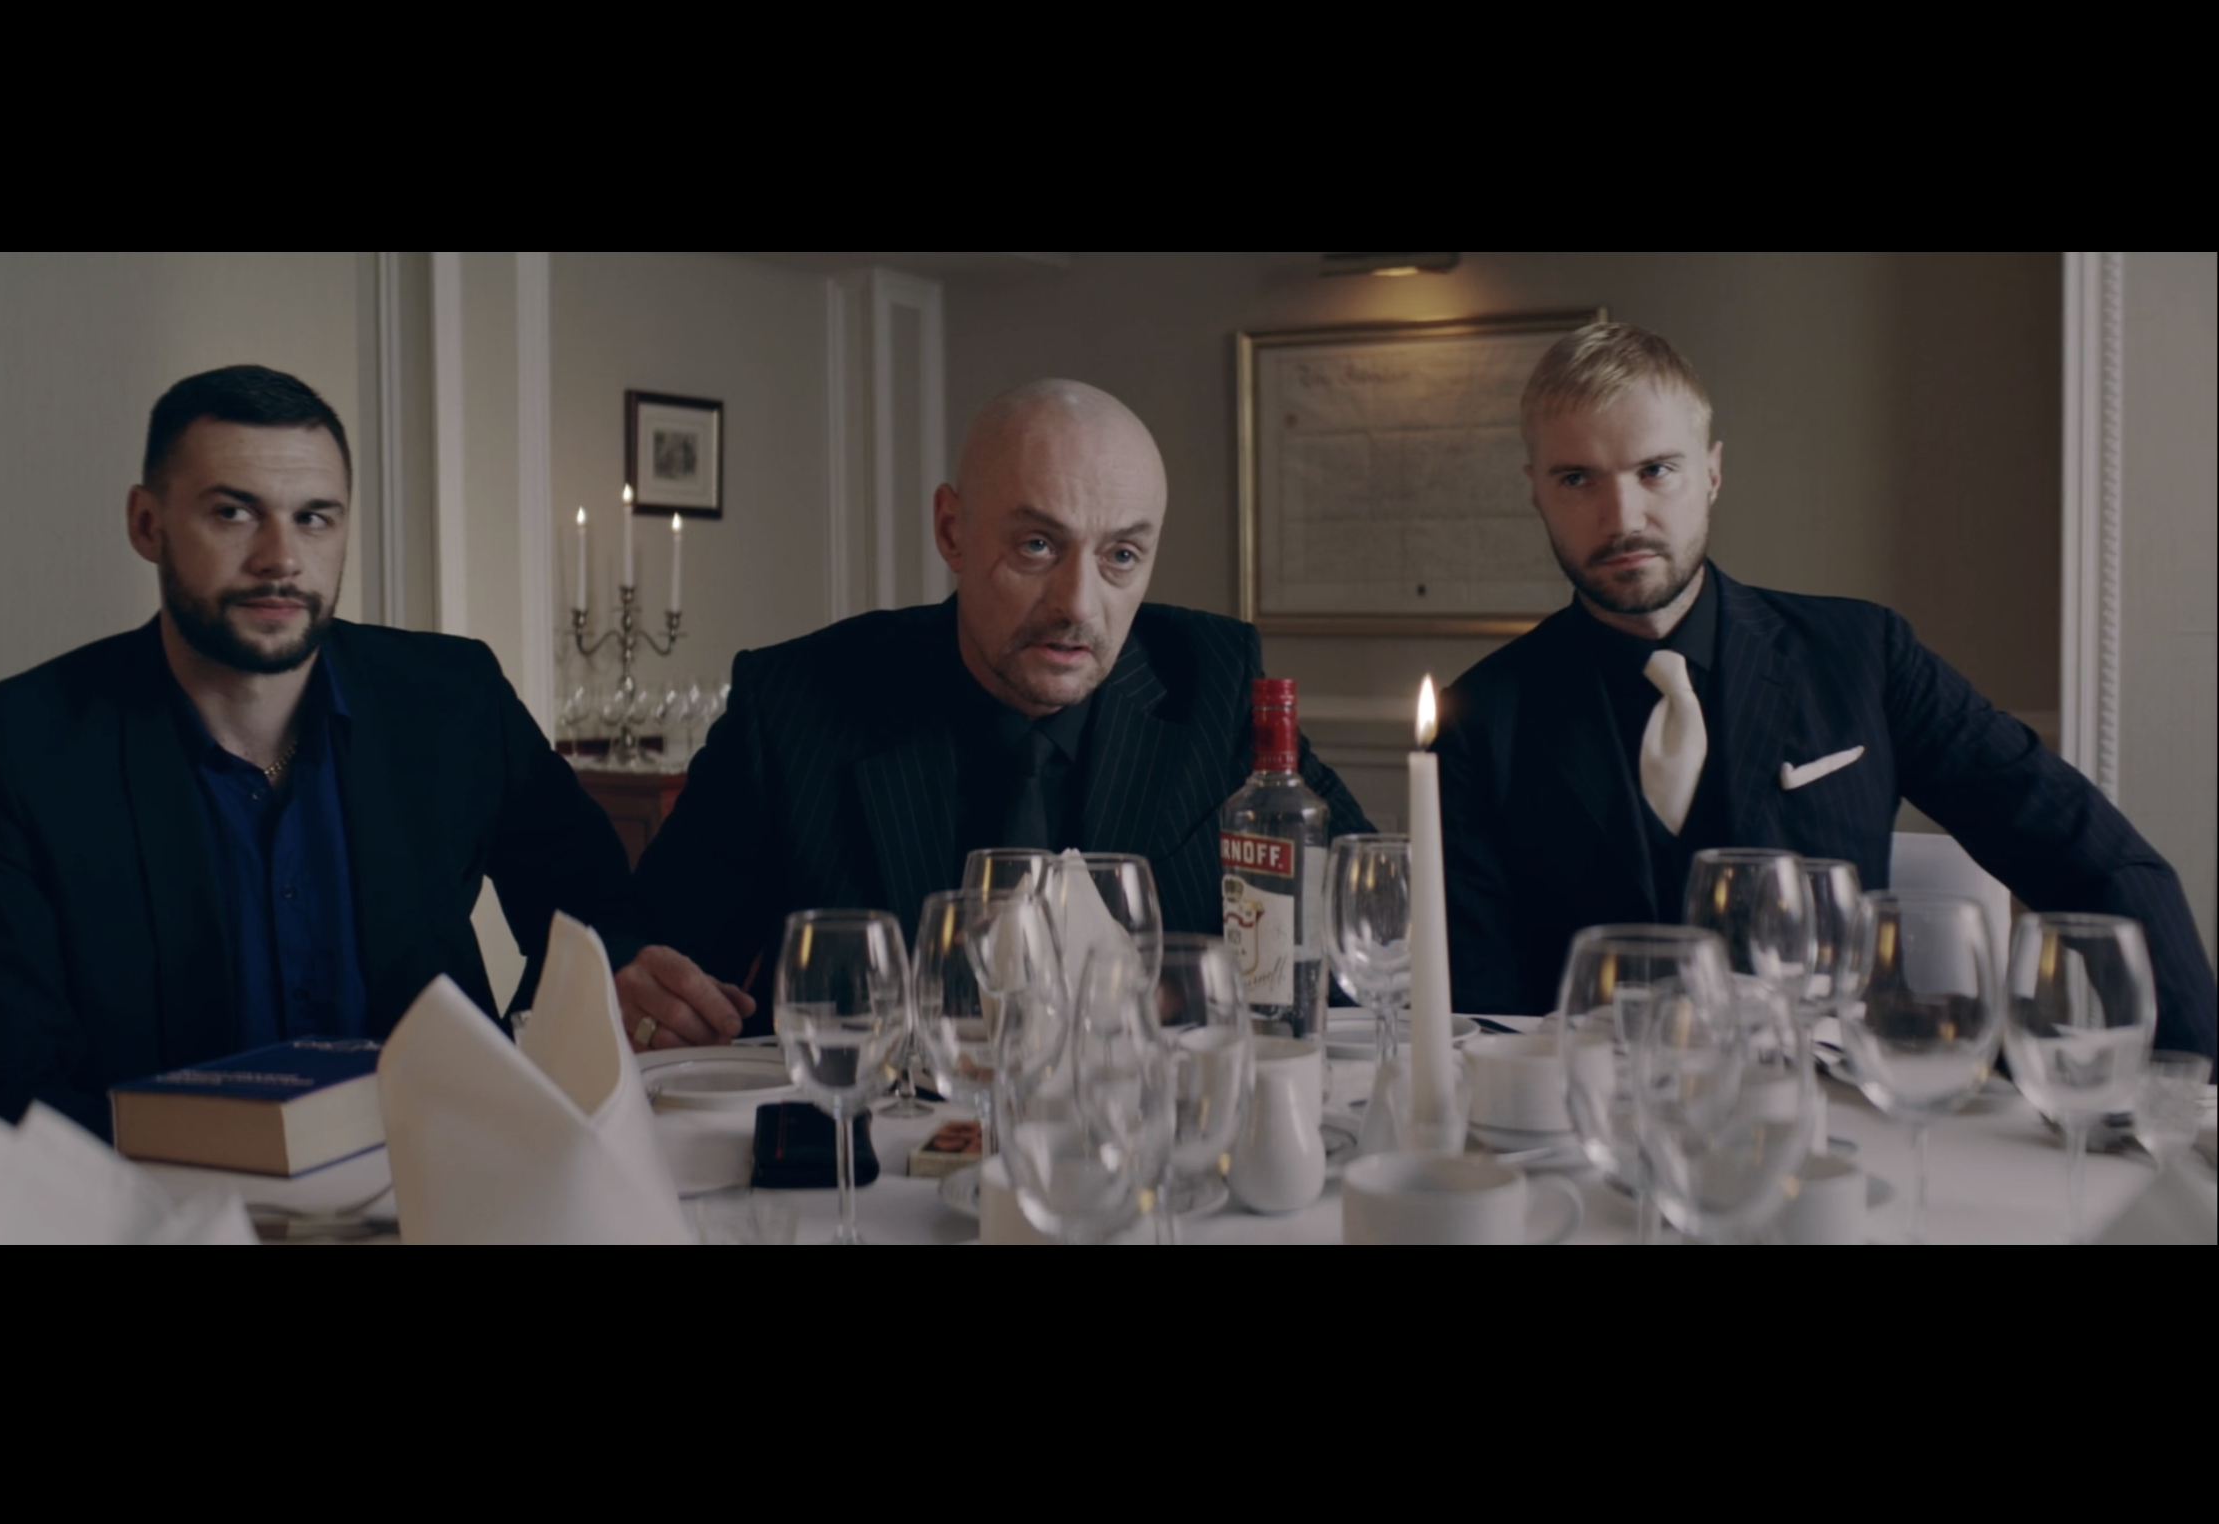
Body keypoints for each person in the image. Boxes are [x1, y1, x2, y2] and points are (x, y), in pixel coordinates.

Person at [0, 365, 640, 1240]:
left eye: (315, 517)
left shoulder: (451, 698)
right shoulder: (19, 747)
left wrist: (565, 1035)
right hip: (149, 1220)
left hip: (433, 1204)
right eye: (233, 513)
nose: (281, 557)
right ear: (147, 524)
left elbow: (599, 913)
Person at [1436, 323, 2216, 1056]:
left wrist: (2193, 1088)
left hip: (1838, 1114)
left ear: (1712, 472)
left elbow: (2093, 859)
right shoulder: (1478, 721)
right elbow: (1484, 1009)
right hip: (1586, 1123)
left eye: (1656, 470)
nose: (1622, 517)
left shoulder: (1863, 654)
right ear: (1536, 490)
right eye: (1577, 478)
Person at [614, 379, 1374, 1048]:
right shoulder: (794, 706)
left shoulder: (1215, 684)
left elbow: (1365, 936)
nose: (1079, 606)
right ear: (951, 529)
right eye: (1038, 545)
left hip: (1148, 1140)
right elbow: (646, 950)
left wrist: (1192, 996)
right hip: (876, 1146)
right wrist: (637, 991)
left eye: (1120, 556)